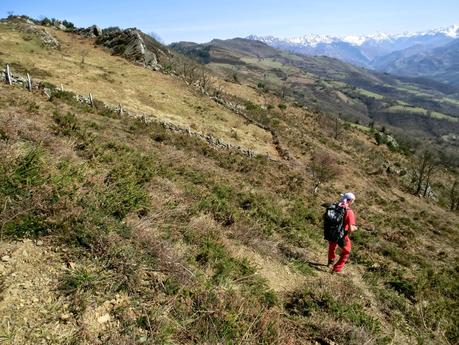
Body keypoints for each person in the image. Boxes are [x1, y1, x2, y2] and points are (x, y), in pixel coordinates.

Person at [328, 192, 357, 273]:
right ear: (350, 201)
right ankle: (336, 269)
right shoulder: (349, 211)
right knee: (346, 251)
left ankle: (330, 261)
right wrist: (355, 227)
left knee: (332, 246)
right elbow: (351, 229)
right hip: (342, 235)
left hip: (331, 232)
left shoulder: (335, 206)